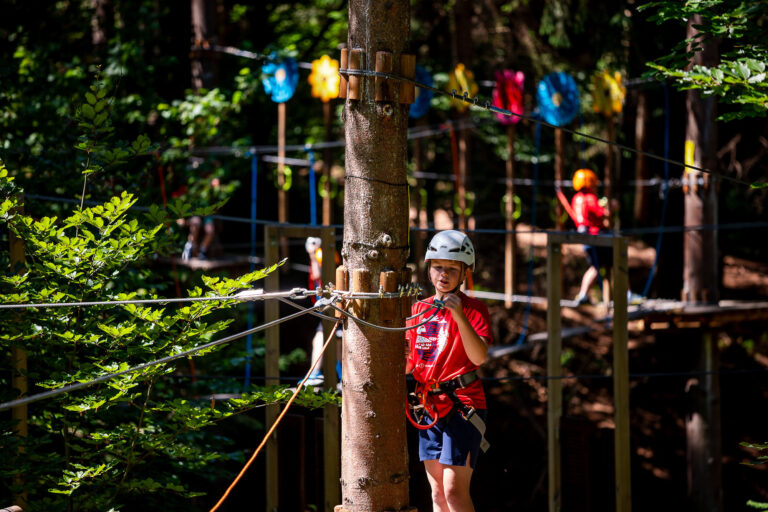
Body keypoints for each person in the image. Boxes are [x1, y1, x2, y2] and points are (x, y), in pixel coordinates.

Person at [405, 230, 492, 512]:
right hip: (428, 406)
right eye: (438, 267)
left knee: (454, 492)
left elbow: (478, 357)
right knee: (438, 494)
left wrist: (458, 315)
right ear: (429, 268)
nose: (443, 274)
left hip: (463, 405)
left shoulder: (474, 309)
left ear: (465, 273)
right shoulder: (418, 309)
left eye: (452, 269)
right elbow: (412, 363)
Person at [304, 237, 341, 387]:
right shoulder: (325, 254)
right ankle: (341, 375)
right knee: (337, 341)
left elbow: (319, 275)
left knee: (321, 337)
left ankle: (315, 373)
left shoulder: (322, 255)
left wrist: (312, 254)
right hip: (329, 306)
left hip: (331, 306)